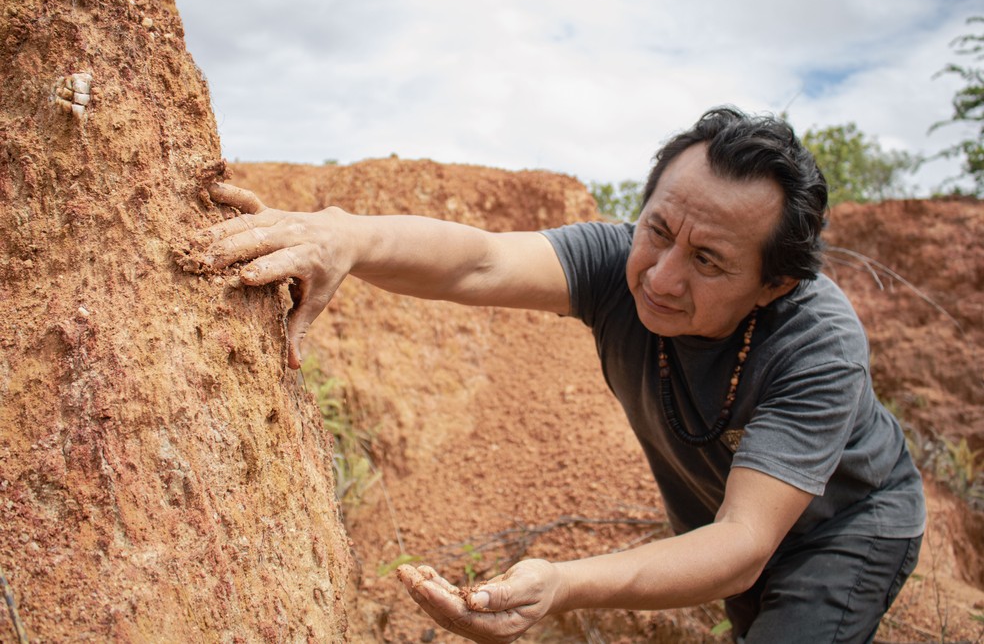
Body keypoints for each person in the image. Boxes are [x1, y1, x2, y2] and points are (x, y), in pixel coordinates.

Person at [195, 107, 925, 643]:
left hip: (848, 527)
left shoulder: (817, 343)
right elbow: (478, 259)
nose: (660, 277)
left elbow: (740, 544)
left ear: (775, 285)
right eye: (659, 229)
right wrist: (347, 234)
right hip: (730, 527)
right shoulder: (618, 265)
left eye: (708, 261)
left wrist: (564, 584)